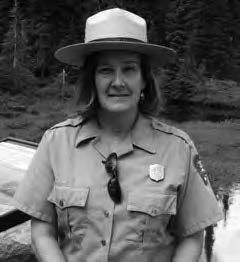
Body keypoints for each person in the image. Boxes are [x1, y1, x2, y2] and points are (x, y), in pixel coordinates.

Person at [13, 8, 223, 262]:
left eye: (129, 69)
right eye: (105, 70)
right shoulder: (56, 142)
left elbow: (192, 236)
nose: (118, 82)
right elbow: (42, 229)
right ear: (92, 78)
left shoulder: (178, 148)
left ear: (144, 79)